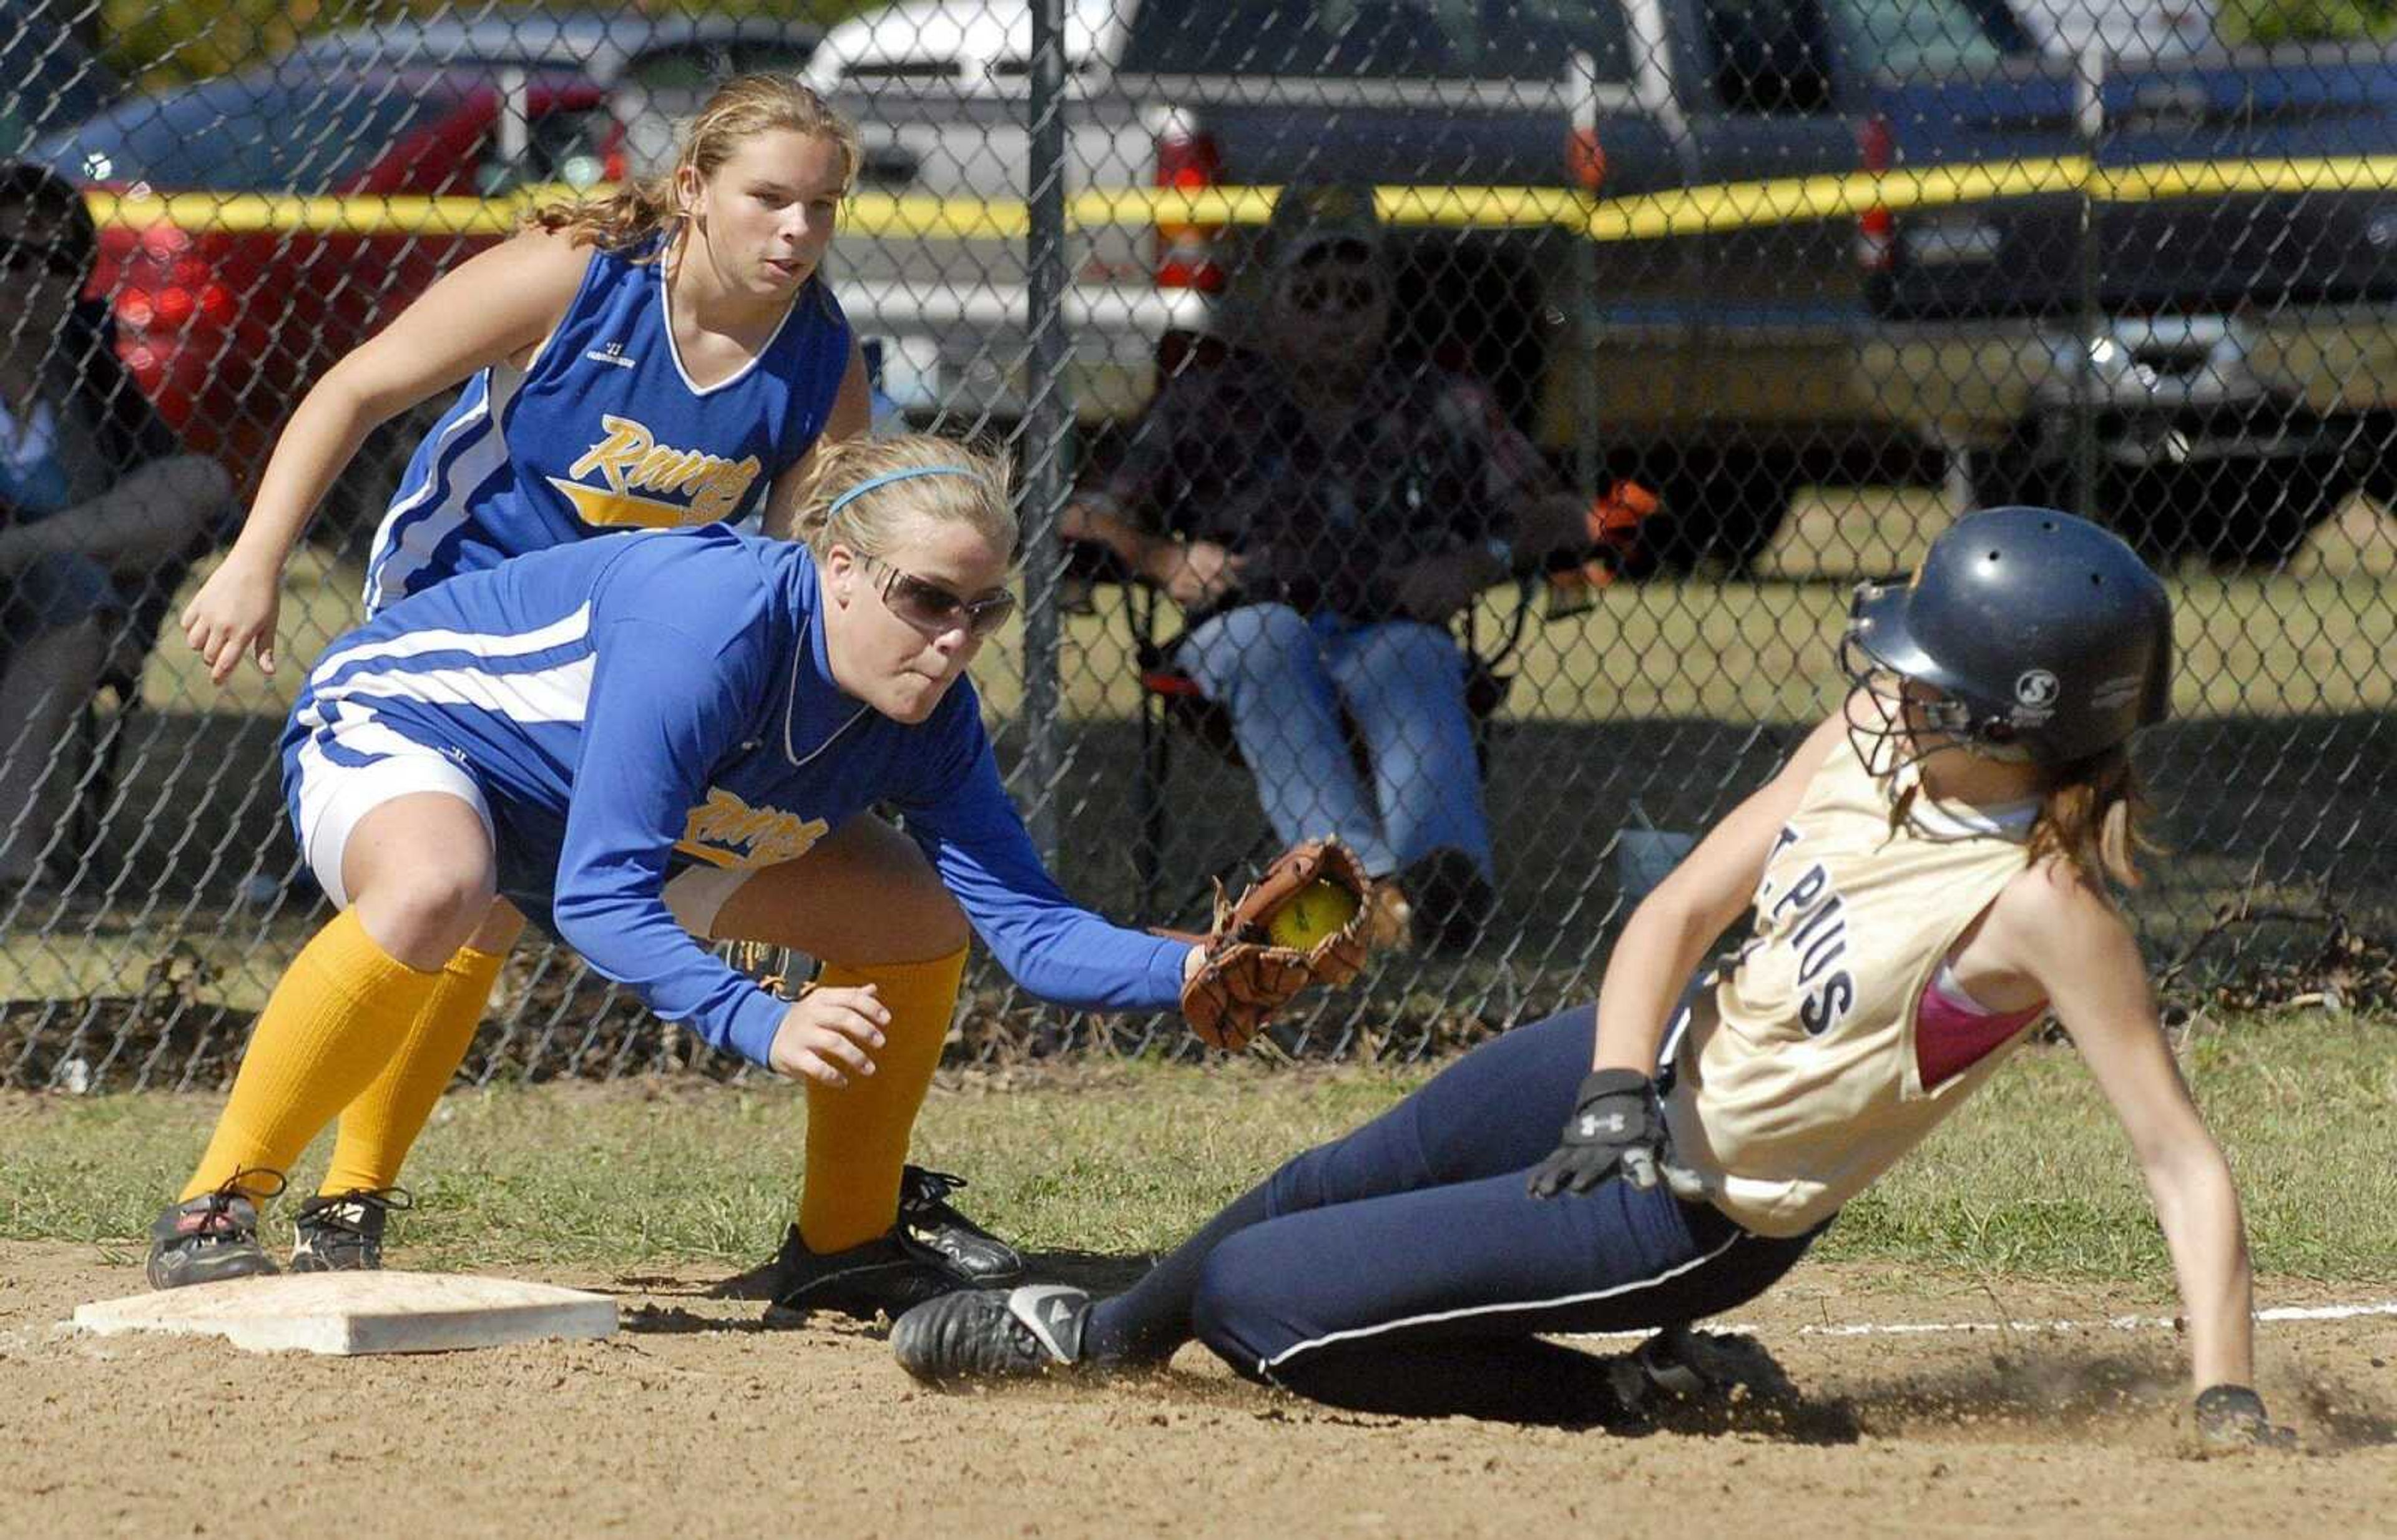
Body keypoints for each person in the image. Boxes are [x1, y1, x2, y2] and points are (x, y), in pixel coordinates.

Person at [893, 507, 2293, 1448]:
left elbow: (2181, 1161)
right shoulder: (1875, 734)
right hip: (1628, 1068)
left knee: (1264, 1302)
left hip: (1701, 1208)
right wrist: (1618, 1084)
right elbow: (1682, 911)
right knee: (1328, 1175)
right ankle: (1101, 1330)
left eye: (1932, 673)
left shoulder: (2046, 910)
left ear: (2019, 720)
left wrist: (2226, 1391)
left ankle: (1637, 1392)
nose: (1893, 675)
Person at [147, 435, 1346, 1317]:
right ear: (834, 566)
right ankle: (218, 1198)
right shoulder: (713, 628)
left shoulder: (930, 714)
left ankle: (843, 1243)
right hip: (422, 729)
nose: (954, 638)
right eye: (926, 598)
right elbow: (598, 895)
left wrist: (1187, 964)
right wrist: (758, 1018)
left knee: (916, 920)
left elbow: (1024, 928)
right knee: (436, 886)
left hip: (626, 815)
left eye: (982, 611)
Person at [167, 75, 1013, 1295]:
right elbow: (359, 385)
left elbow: (808, 567)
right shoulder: (578, 274)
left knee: (539, 899)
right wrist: (254, 562)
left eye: (821, 207)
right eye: (768, 197)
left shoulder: (819, 354)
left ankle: (364, 1205)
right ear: (692, 191)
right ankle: (322, 1195)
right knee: (465, 889)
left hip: (630, 658)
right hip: (452, 624)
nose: (796, 230)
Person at [1060, 184, 1587, 954]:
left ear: (1387, 306)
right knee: (1268, 639)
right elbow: (1087, 511)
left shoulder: (1445, 401)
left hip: (1388, 620)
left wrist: (1478, 564)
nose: (1336, 314)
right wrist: (1163, 556)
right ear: (1270, 307)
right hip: (1244, 623)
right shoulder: (1208, 398)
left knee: (1417, 655)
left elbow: (1563, 515)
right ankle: (1363, 889)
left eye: (1357, 296)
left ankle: (1437, 890)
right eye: (1312, 296)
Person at [0, 160, 232, 902]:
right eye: (12, 257)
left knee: (195, 481)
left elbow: (176, 481)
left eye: (59, 260)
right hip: (62, 581)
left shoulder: (83, 366)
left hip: (48, 582)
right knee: (75, 588)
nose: (35, 276)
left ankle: (15, 858)